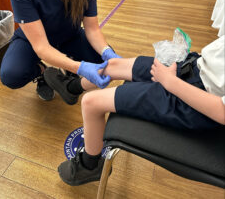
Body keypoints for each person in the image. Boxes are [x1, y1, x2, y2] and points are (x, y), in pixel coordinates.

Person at [56, 35, 225, 186]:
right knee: (114, 64)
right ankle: (72, 88)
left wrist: (170, 82)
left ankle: (89, 165)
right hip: (194, 70)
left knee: (90, 103)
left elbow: (221, 112)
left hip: (195, 103)